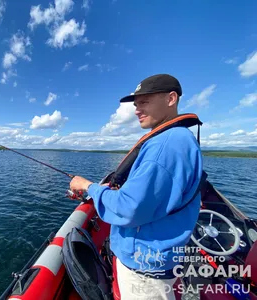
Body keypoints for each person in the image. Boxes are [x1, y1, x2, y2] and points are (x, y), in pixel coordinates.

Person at [69, 74, 203, 300]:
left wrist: (88, 186)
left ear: (171, 99)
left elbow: (129, 208)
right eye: (136, 104)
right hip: (155, 261)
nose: (137, 110)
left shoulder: (166, 146)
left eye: (144, 102)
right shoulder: (179, 139)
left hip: (145, 271)